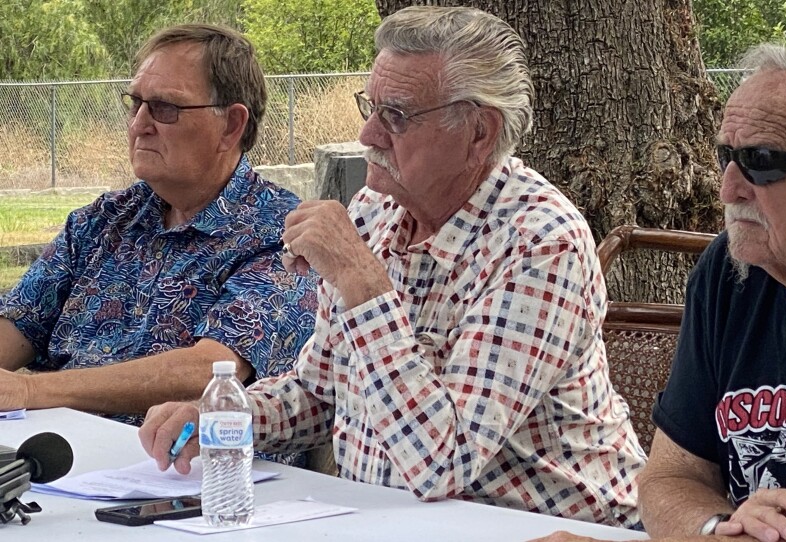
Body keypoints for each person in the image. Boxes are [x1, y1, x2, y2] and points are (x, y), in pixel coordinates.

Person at [140, 6, 645, 528]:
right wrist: (223, 416)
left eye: (396, 116)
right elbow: (320, 393)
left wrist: (362, 282)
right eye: (371, 107)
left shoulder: (540, 241)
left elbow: (442, 461)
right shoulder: (376, 211)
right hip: (395, 523)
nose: (367, 135)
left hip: (552, 530)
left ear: (478, 131)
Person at [530, 44, 786, 542]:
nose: (728, 188)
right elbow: (669, 479)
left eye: (762, 161)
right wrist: (717, 528)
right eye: (726, 157)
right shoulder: (732, 270)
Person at [0, 24, 317, 426]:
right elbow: (14, 330)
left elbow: (212, 371)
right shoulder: (102, 222)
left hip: (190, 474)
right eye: (136, 103)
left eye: (165, 108)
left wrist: (32, 391)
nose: (139, 124)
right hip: (61, 462)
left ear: (231, 126)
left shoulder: (285, 236)